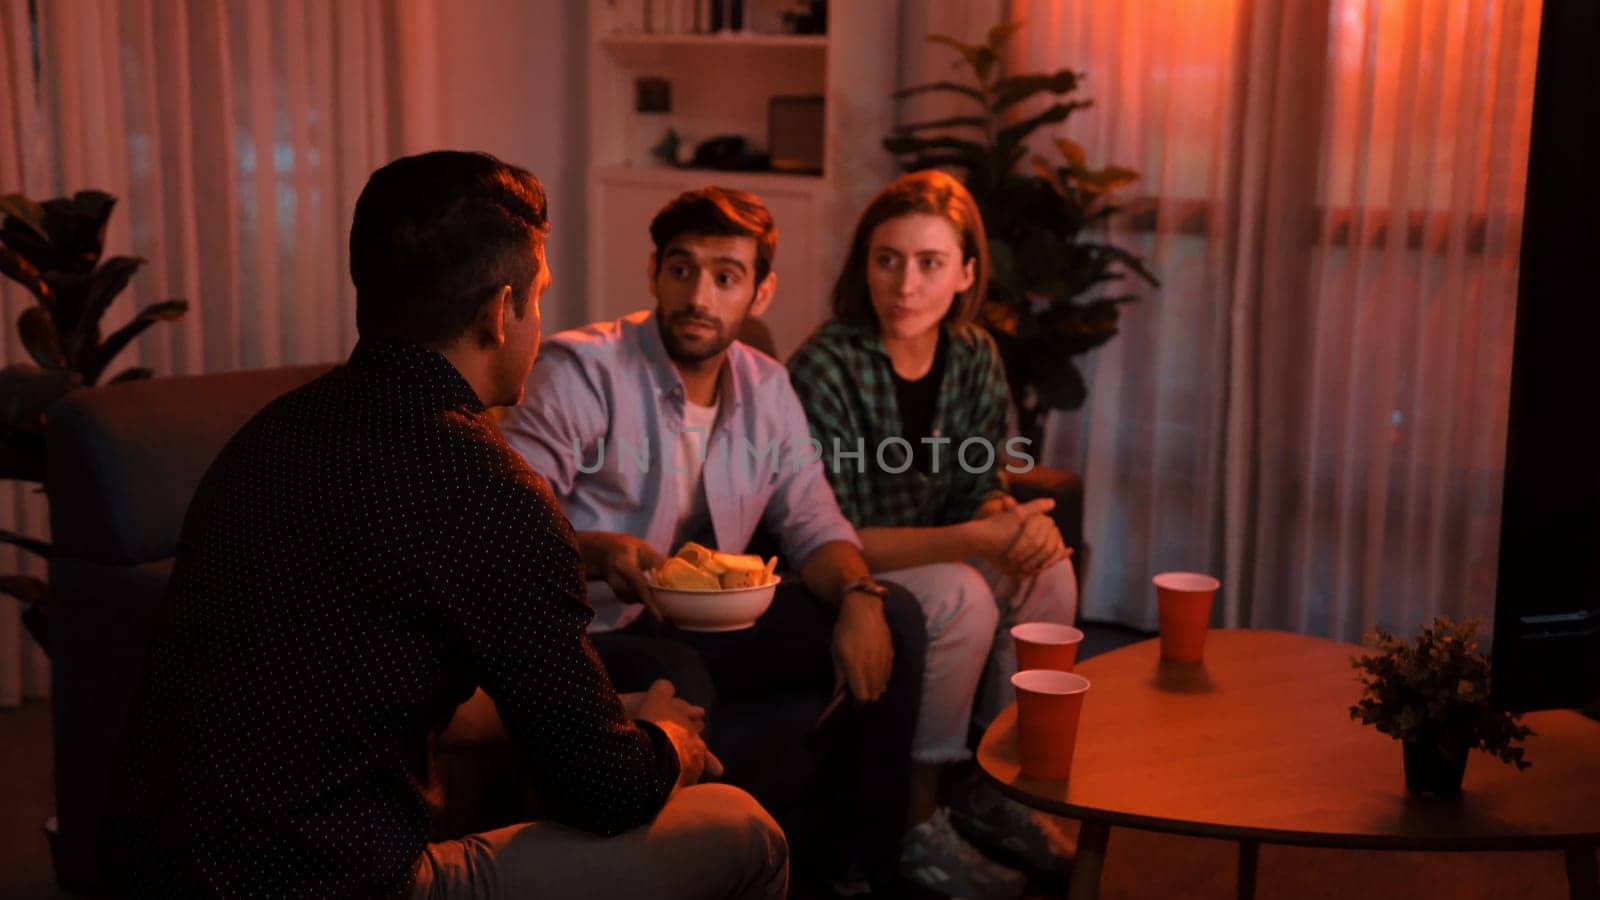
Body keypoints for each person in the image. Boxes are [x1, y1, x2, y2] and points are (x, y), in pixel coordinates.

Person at [102, 151, 787, 900]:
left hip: (149, 869)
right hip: (332, 883)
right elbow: (610, 793)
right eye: (538, 297)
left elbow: (367, 689)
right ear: (502, 313)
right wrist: (665, 741)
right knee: (742, 831)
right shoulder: (488, 488)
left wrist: (609, 717)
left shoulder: (267, 436)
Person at [498, 186, 931, 892]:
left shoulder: (767, 388)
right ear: (653, 273)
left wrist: (858, 592)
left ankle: (860, 873)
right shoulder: (584, 369)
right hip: (591, 628)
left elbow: (813, 520)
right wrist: (604, 551)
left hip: (703, 616)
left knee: (899, 617)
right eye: (682, 268)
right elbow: (510, 517)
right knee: (681, 681)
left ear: (761, 292)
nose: (699, 294)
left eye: (726, 276)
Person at [788, 169, 1081, 898]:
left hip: (944, 548)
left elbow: (980, 479)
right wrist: (980, 542)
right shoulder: (825, 365)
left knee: (1049, 572)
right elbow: (836, 531)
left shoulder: (975, 353)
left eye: (929, 263)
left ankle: (999, 791)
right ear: (864, 265)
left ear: (966, 273)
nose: (905, 284)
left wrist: (1005, 525)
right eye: (887, 260)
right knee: (963, 594)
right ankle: (917, 825)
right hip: (845, 568)